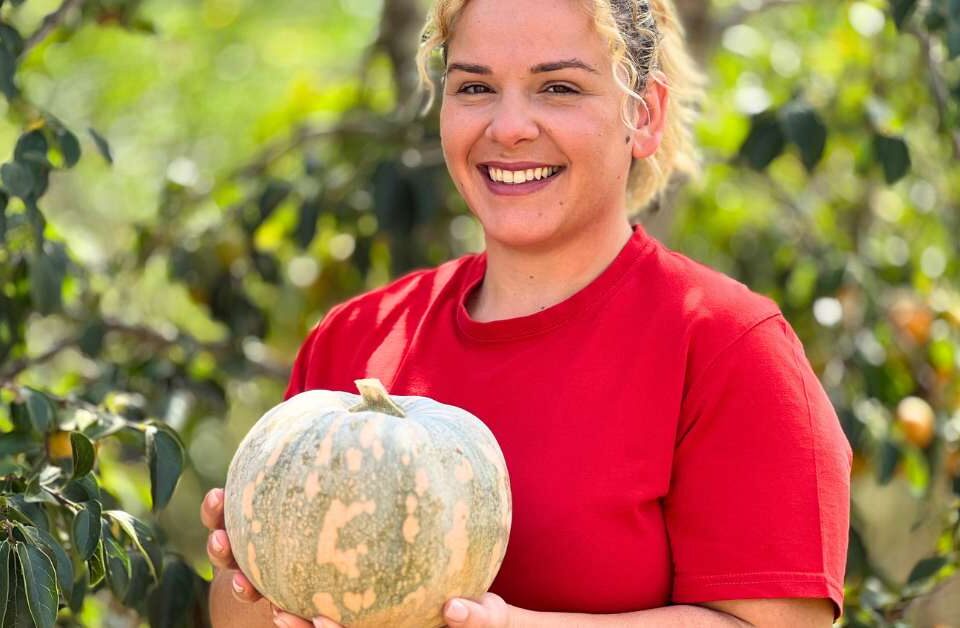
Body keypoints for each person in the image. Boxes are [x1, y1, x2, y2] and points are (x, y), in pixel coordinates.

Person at [202, 0, 852, 626]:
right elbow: (243, 618)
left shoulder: (729, 347)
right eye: (475, 88)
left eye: (559, 88)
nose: (508, 127)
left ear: (645, 116)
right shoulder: (355, 341)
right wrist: (254, 572)